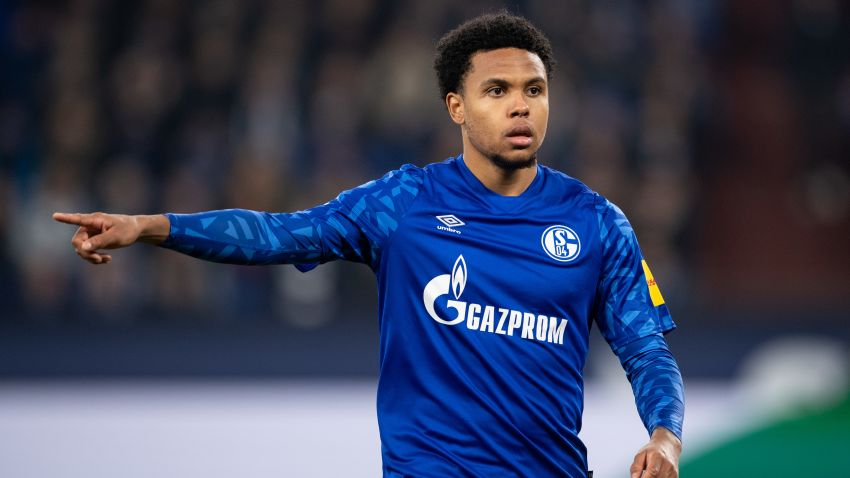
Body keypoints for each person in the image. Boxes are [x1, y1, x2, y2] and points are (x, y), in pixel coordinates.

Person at [54, 11, 684, 478]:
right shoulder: (402, 205)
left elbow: (646, 349)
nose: (521, 107)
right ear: (456, 107)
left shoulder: (598, 223)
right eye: (498, 91)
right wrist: (150, 226)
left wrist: (664, 440)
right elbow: (277, 233)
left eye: (534, 90)